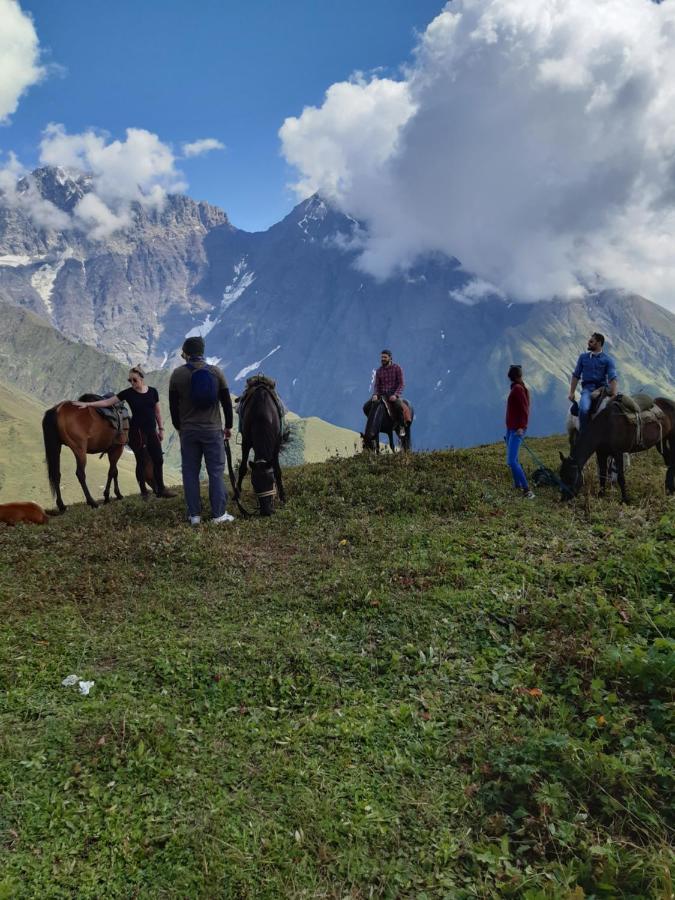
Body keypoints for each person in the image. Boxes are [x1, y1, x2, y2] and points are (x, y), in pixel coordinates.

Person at [74, 366, 175, 499]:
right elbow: (106, 402)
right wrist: (88, 405)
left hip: (151, 430)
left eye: (134, 380)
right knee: (141, 461)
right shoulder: (128, 393)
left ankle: (161, 489)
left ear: (141, 378)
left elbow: (157, 412)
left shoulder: (153, 392)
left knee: (158, 459)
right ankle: (144, 492)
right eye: (130, 380)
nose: (132, 383)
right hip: (137, 432)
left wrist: (161, 429)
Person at [169, 335, 234, 526]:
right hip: (213, 430)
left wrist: (180, 428)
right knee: (215, 471)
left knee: (190, 472)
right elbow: (227, 403)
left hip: (189, 431)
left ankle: (194, 515)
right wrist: (228, 426)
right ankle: (218, 515)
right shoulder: (216, 373)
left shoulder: (177, 375)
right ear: (202, 352)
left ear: (186, 354)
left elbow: (173, 408)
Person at [568, 332, 618, 431]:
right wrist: (572, 392)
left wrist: (613, 393)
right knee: (584, 409)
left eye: (591, 341)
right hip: (587, 390)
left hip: (602, 390)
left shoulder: (608, 360)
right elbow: (576, 375)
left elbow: (613, 378)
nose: (588, 343)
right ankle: (584, 435)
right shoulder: (583, 357)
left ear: (599, 343)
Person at [505, 364, 534, 500]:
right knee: (514, 459)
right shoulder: (517, 387)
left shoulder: (517, 389)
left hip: (517, 430)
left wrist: (522, 427)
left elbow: (524, 409)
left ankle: (527, 490)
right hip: (512, 429)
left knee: (511, 461)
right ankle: (517, 485)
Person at [363, 349, 406, 436]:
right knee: (366, 407)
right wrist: (375, 394)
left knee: (398, 406)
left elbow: (401, 384)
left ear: (390, 358)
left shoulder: (397, 368)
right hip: (381, 395)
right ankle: (374, 425)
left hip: (393, 395)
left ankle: (401, 427)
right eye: (382, 357)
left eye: (385, 357)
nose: (383, 359)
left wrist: (396, 395)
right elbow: (377, 385)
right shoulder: (379, 371)